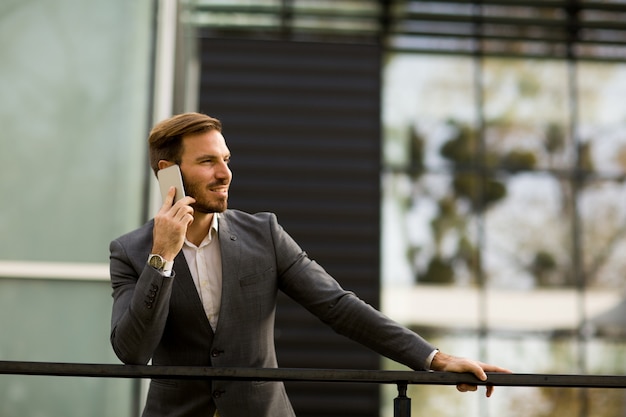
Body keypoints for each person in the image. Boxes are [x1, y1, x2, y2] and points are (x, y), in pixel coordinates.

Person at [109, 112, 511, 417]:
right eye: (208, 162)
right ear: (169, 173)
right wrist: (162, 258)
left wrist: (434, 358)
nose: (225, 173)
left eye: (226, 159)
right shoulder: (130, 251)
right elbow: (132, 350)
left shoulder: (263, 233)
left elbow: (337, 305)